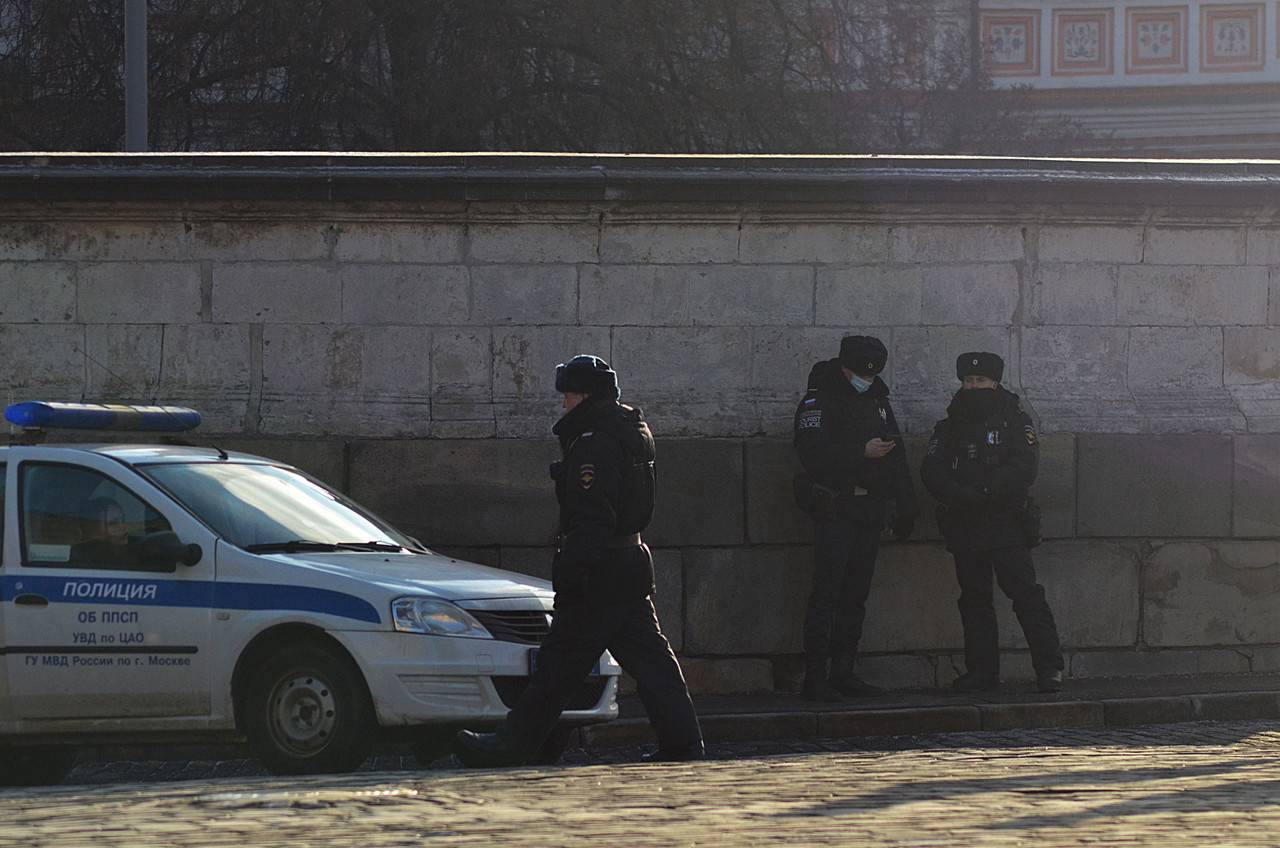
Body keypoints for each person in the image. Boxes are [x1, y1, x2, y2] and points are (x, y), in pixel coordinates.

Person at [456, 354, 703, 766]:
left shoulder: (595, 442)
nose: (563, 403)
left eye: (568, 394)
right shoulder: (627, 430)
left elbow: (592, 516)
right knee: (652, 664)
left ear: (584, 395)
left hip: (599, 571)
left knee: (559, 664)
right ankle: (683, 743)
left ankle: (513, 744)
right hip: (627, 565)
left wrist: (572, 572)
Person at [920, 352, 1064, 694]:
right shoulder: (950, 424)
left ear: (994, 382)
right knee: (974, 600)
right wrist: (959, 493)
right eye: (969, 382)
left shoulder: (1014, 421)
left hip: (1005, 522)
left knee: (1026, 595)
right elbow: (932, 468)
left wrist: (986, 490)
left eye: (981, 381)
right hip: (965, 522)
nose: (974, 387)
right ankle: (982, 672)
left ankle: (1049, 668)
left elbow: (1024, 467)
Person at [793, 335, 919, 702]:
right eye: (859, 371)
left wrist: (905, 505)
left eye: (872, 371)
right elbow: (811, 453)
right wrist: (858, 452)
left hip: (870, 509)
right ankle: (816, 677)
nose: (866, 377)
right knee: (827, 594)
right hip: (836, 508)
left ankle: (844, 672)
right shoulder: (819, 400)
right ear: (845, 368)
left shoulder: (879, 400)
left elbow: (897, 455)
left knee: (855, 596)